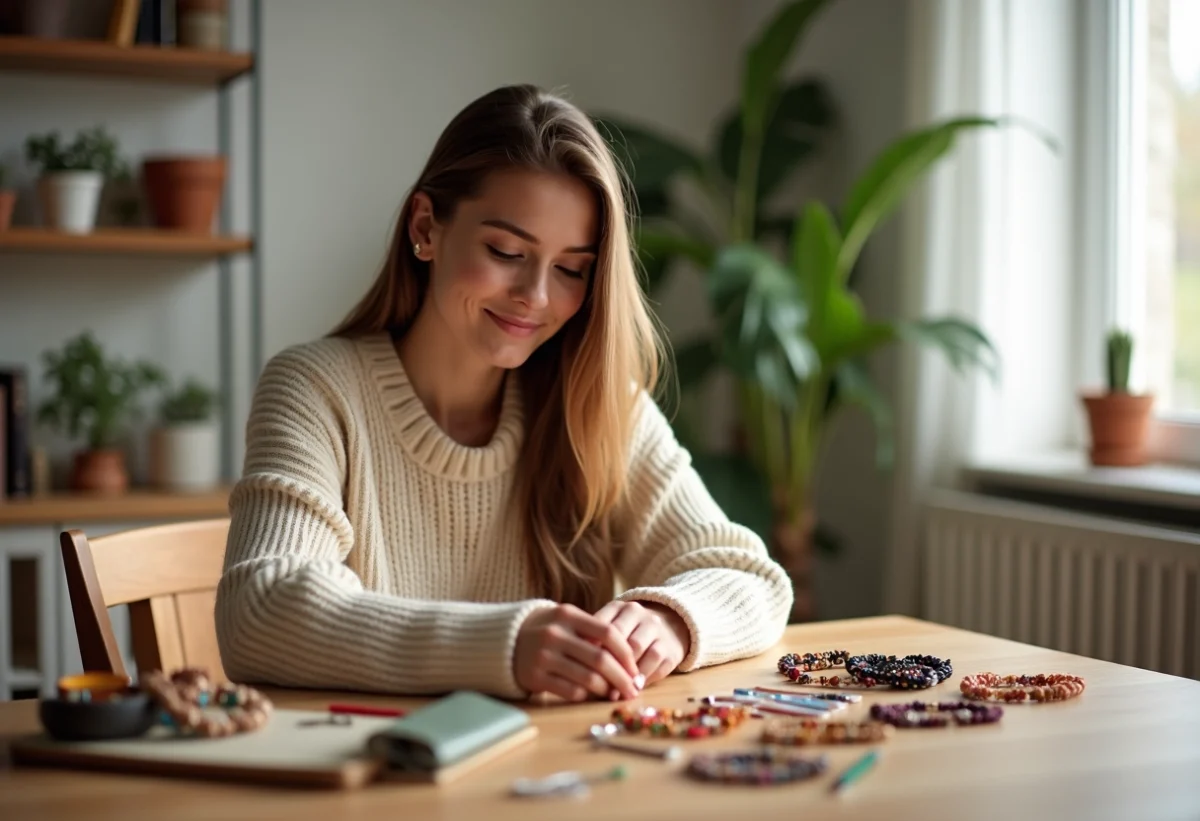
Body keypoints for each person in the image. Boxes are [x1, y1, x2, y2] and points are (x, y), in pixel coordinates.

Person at [214, 84, 793, 704]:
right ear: (426, 228)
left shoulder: (598, 401)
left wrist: (670, 620)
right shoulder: (316, 389)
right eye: (506, 251)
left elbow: (751, 578)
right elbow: (258, 611)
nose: (536, 297)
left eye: (571, 269)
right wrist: (505, 646)